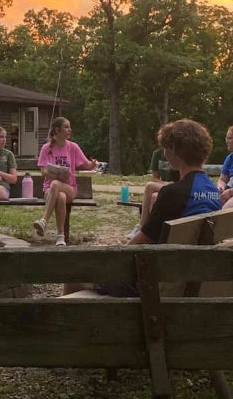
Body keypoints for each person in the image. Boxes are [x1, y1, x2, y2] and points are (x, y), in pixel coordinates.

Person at [78, 119, 221, 297]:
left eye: (166, 148)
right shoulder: (213, 191)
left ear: (176, 150)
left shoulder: (173, 193)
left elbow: (139, 243)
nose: (165, 153)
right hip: (194, 275)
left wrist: (110, 262)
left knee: (76, 275)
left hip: (157, 283)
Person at [33, 117, 97, 247]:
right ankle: (60, 236)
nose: (70, 130)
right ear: (58, 130)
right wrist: (56, 174)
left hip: (70, 188)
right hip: (49, 189)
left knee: (56, 185)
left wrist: (93, 164)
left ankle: (44, 220)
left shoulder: (73, 147)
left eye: (69, 127)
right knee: (59, 196)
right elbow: (43, 171)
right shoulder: (46, 148)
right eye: (66, 127)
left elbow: (86, 165)